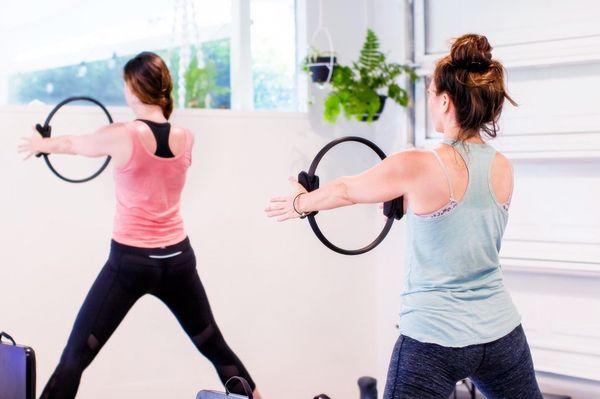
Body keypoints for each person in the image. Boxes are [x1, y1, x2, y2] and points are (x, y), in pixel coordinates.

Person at [265, 34, 543, 399]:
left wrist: (301, 202)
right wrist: (408, 200)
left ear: (445, 101)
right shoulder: (502, 167)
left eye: (430, 93)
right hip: (501, 333)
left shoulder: (417, 164)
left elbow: (346, 189)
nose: (428, 99)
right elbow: (463, 225)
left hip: (434, 337)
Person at [19, 51, 261, 399]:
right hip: (178, 262)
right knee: (214, 346)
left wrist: (41, 143)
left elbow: (74, 145)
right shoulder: (186, 138)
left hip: (130, 264)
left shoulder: (124, 135)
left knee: (74, 358)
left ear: (134, 88)